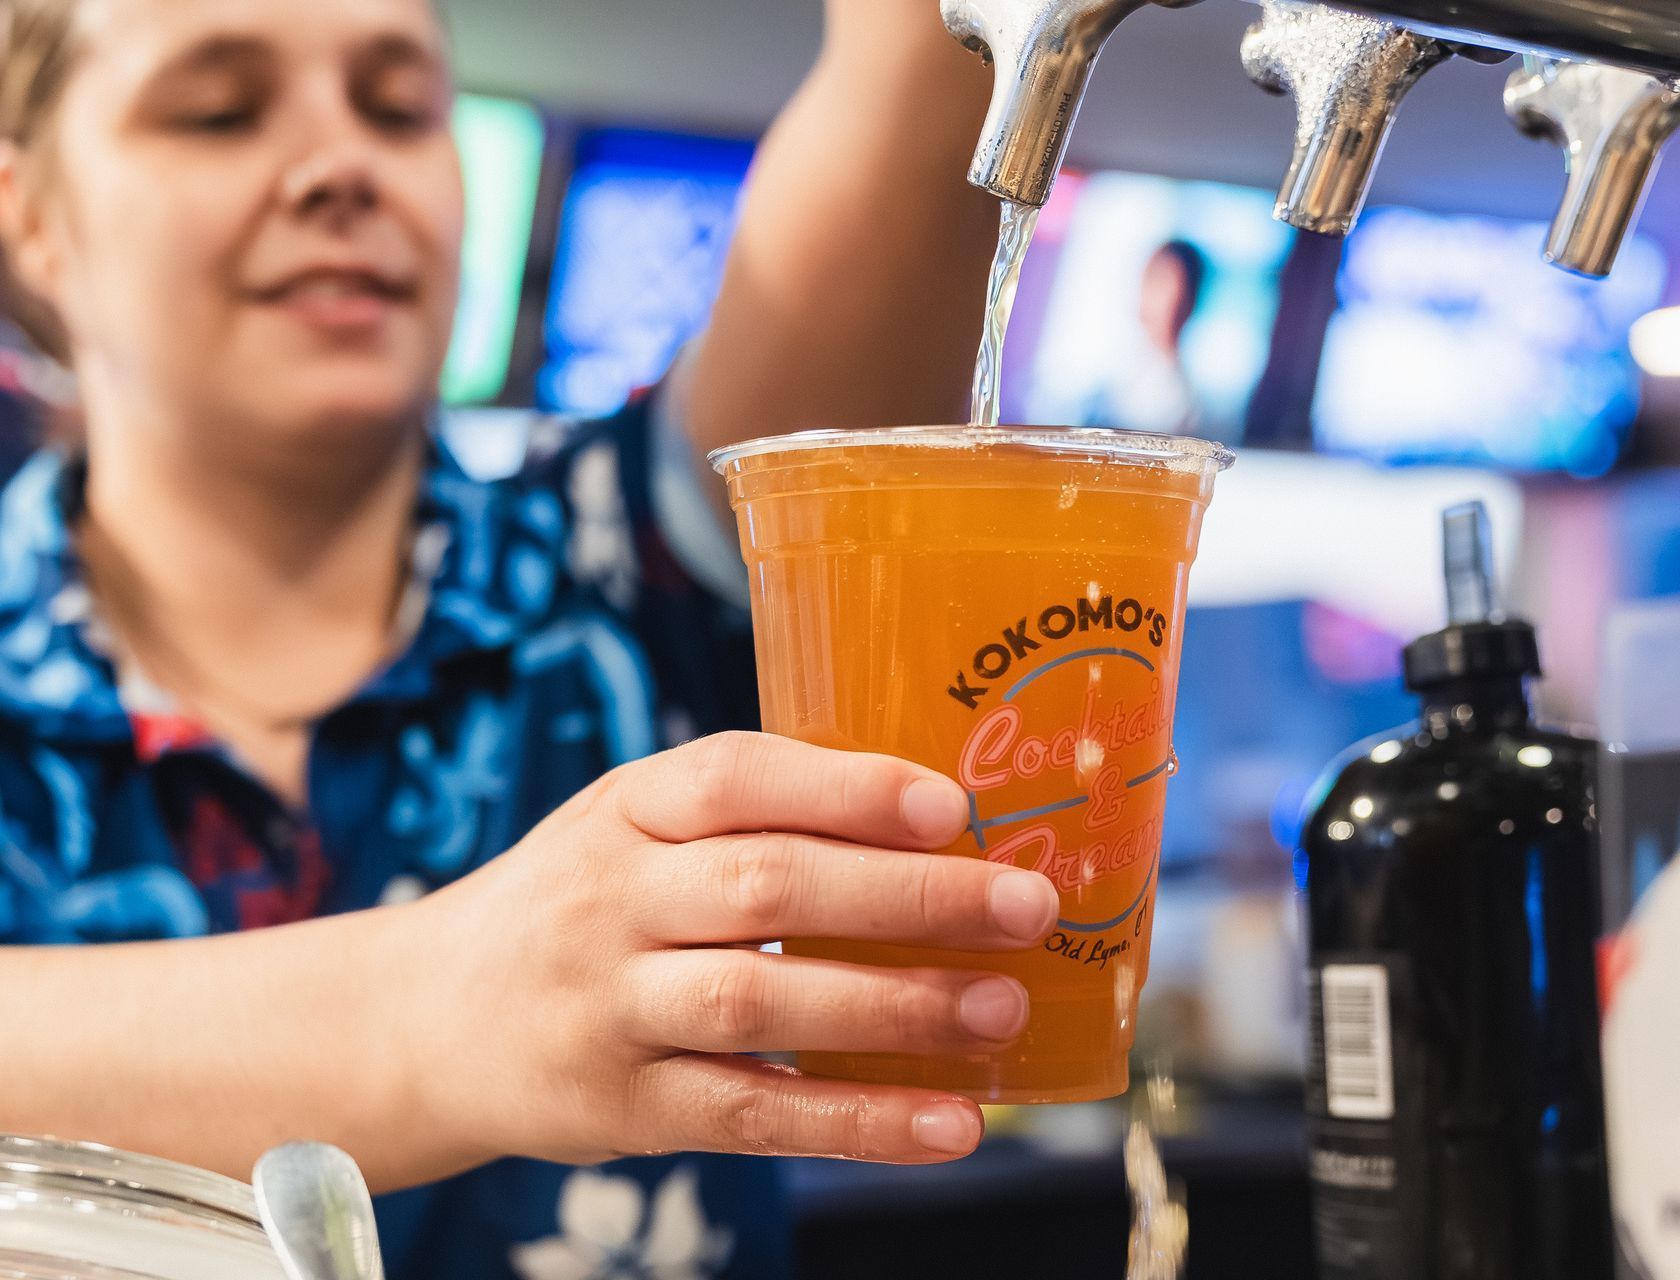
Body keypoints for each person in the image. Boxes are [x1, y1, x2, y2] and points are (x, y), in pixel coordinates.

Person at [0, 0, 1061, 1276]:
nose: (343, 163)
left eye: (398, 107)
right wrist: (442, 1007)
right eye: (220, 110)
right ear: (30, 215)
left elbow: (922, 60)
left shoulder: (638, 570)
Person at [1084, 238, 1207, 434]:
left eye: (1162, 283)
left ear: (1188, 299)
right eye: (1149, 279)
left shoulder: (1182, 399)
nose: (1148, 295)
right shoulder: (1114, 366)